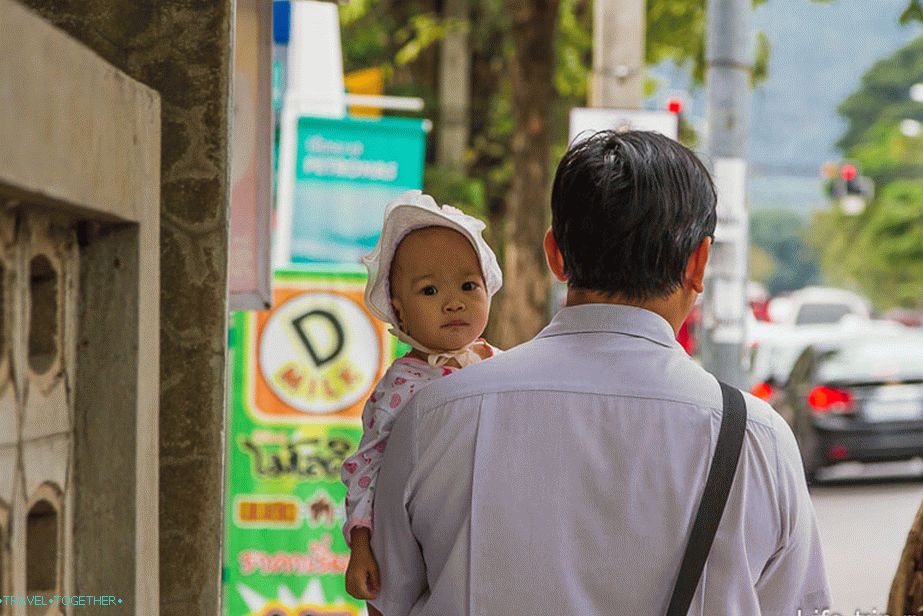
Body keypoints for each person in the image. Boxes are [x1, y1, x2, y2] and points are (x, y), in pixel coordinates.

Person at [368, 130, 831, 615]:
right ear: (699, 263)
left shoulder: (432, 417)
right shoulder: (757, 439)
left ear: (555, 255)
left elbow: (384, 601)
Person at [340, 190, 503, 611]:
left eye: (469, 285)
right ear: (400, 311)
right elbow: (366, 467)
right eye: (429, 290)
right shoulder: (403, 385)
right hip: (416, 540)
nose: (454, 302)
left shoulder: (502, 366)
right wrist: (361, 544)